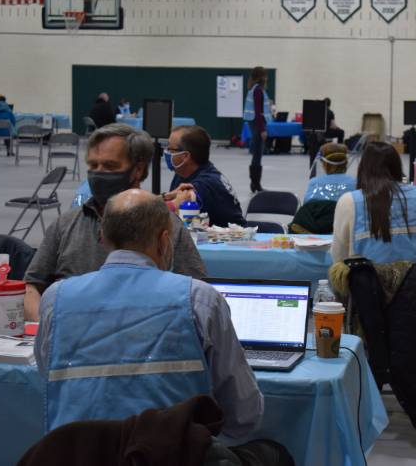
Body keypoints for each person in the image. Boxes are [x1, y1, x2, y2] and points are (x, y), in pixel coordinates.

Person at [34, 189, 264, 436]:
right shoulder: (199, 300)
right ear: (164, 241)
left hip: (79, 455)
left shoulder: (55, 301)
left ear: (102, 236)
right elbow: (244, 414)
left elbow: (47, 374)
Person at [23, 123, 207, 321]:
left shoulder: (169, 227)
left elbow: (196, 296)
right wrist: (46, 329)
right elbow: (31, 286)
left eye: (110, 166)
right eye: (93, 166)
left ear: (137, 169)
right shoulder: (65, 224)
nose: (98, 173)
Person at [331, 142, 416, 266]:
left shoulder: (348, 202)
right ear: (397, 167)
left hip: (368, 285)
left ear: (363, 168)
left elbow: (339, 258)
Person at [163, 125, 246, 226]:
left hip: (231, 240)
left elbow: (167, 221)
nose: (166, 152)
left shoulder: (204, 185)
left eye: (170, 149)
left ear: (185, 156)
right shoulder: (183, 173)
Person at [243, 66, 271, 193]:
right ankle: (255, 184)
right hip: (257, 124)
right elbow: (259, 112)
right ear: (262, 76)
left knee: (257, 155)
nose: (267, 77)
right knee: (257, 155)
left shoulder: (254, 89)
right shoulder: (258, 90)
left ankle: (255, 184)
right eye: (265, 75)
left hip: (254, 123)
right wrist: (262, 129)